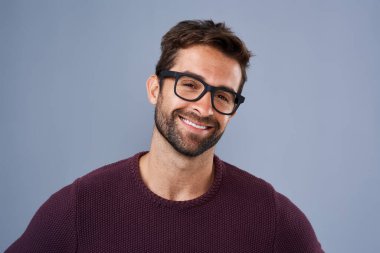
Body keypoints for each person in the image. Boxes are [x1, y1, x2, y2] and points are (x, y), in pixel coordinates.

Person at [6, 20, 324, 252]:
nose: (203, 107)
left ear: (233, 111)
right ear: (155, 89)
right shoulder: (82, 206)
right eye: (189, 85)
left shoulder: (271, 216)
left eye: (223, 96)